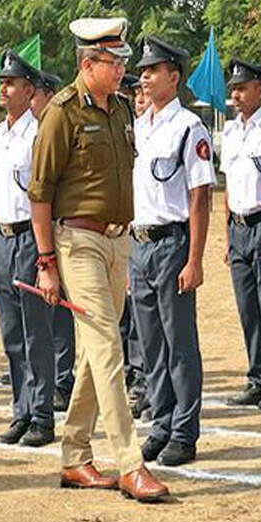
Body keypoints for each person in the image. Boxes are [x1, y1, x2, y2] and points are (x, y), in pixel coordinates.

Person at [29, 16, 169, 502]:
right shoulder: (62, 113)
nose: (123, 71)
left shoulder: (120, 110)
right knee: (110, 347)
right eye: (114, 62)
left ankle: (74, 455)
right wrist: (46, 261)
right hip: (78, 243)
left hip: (117, 242)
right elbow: (41, 193)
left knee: (94, 351)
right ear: (89, 64)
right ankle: (131, 464)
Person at [129, 36, 214, 468]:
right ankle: (160, 423)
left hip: (172, 243)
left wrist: (195, 258)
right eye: (143, 70)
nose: (144, 76)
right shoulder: (140, 127)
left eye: (153, 69)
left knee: (179, 342)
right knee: (150, 344)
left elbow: (200, 196)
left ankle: (184, 430)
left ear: (174, 77)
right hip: (140, 244)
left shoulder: (189, 128)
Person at [0, 50, 56, 447]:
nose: (3, 88)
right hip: (3, 237)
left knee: (36, 334)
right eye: (1, 82)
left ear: (28, 90)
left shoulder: (39, 134)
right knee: (12, 333)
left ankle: (42, 416)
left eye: (10, 82)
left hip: (30, 239)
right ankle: (21, 410)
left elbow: (47, 195)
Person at [221, 58, 261, 411]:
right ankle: (256, 377)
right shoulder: (231, 132)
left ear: (260, 89)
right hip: (240, 228)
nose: (236, 94)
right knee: (248, 309)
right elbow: (230, 185)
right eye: (233, 89)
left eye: (243, 87)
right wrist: (228, 234)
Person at [34, 69, 75, 410]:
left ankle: (63, 378)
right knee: (33, 321)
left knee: (59, 315)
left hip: (56, 231)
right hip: (31, 229)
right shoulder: (4, 136)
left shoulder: (53, 132)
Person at [117, 73, 147, 415]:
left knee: (144, 321)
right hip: (125, 233)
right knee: (126, 315)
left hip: (150, 237)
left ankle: (142, 379)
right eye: (133, 95)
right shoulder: (126, 137)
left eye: (138, 94)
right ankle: (132, 373)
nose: (137, 100)